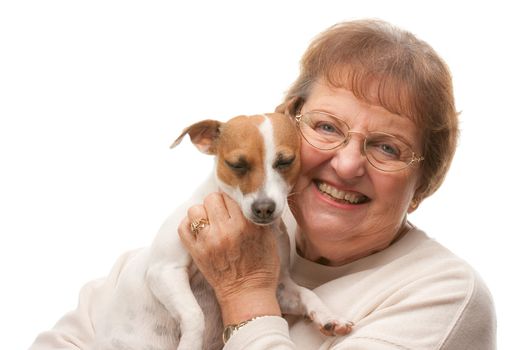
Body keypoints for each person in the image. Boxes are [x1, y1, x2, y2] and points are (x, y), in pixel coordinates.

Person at [29, 19, 496, 349]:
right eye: (328, 127)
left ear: (425, 183)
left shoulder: (446, 296)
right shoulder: (203, 236)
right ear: (285, 131)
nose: (348, 164)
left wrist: (246, 291)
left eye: (387, 148)